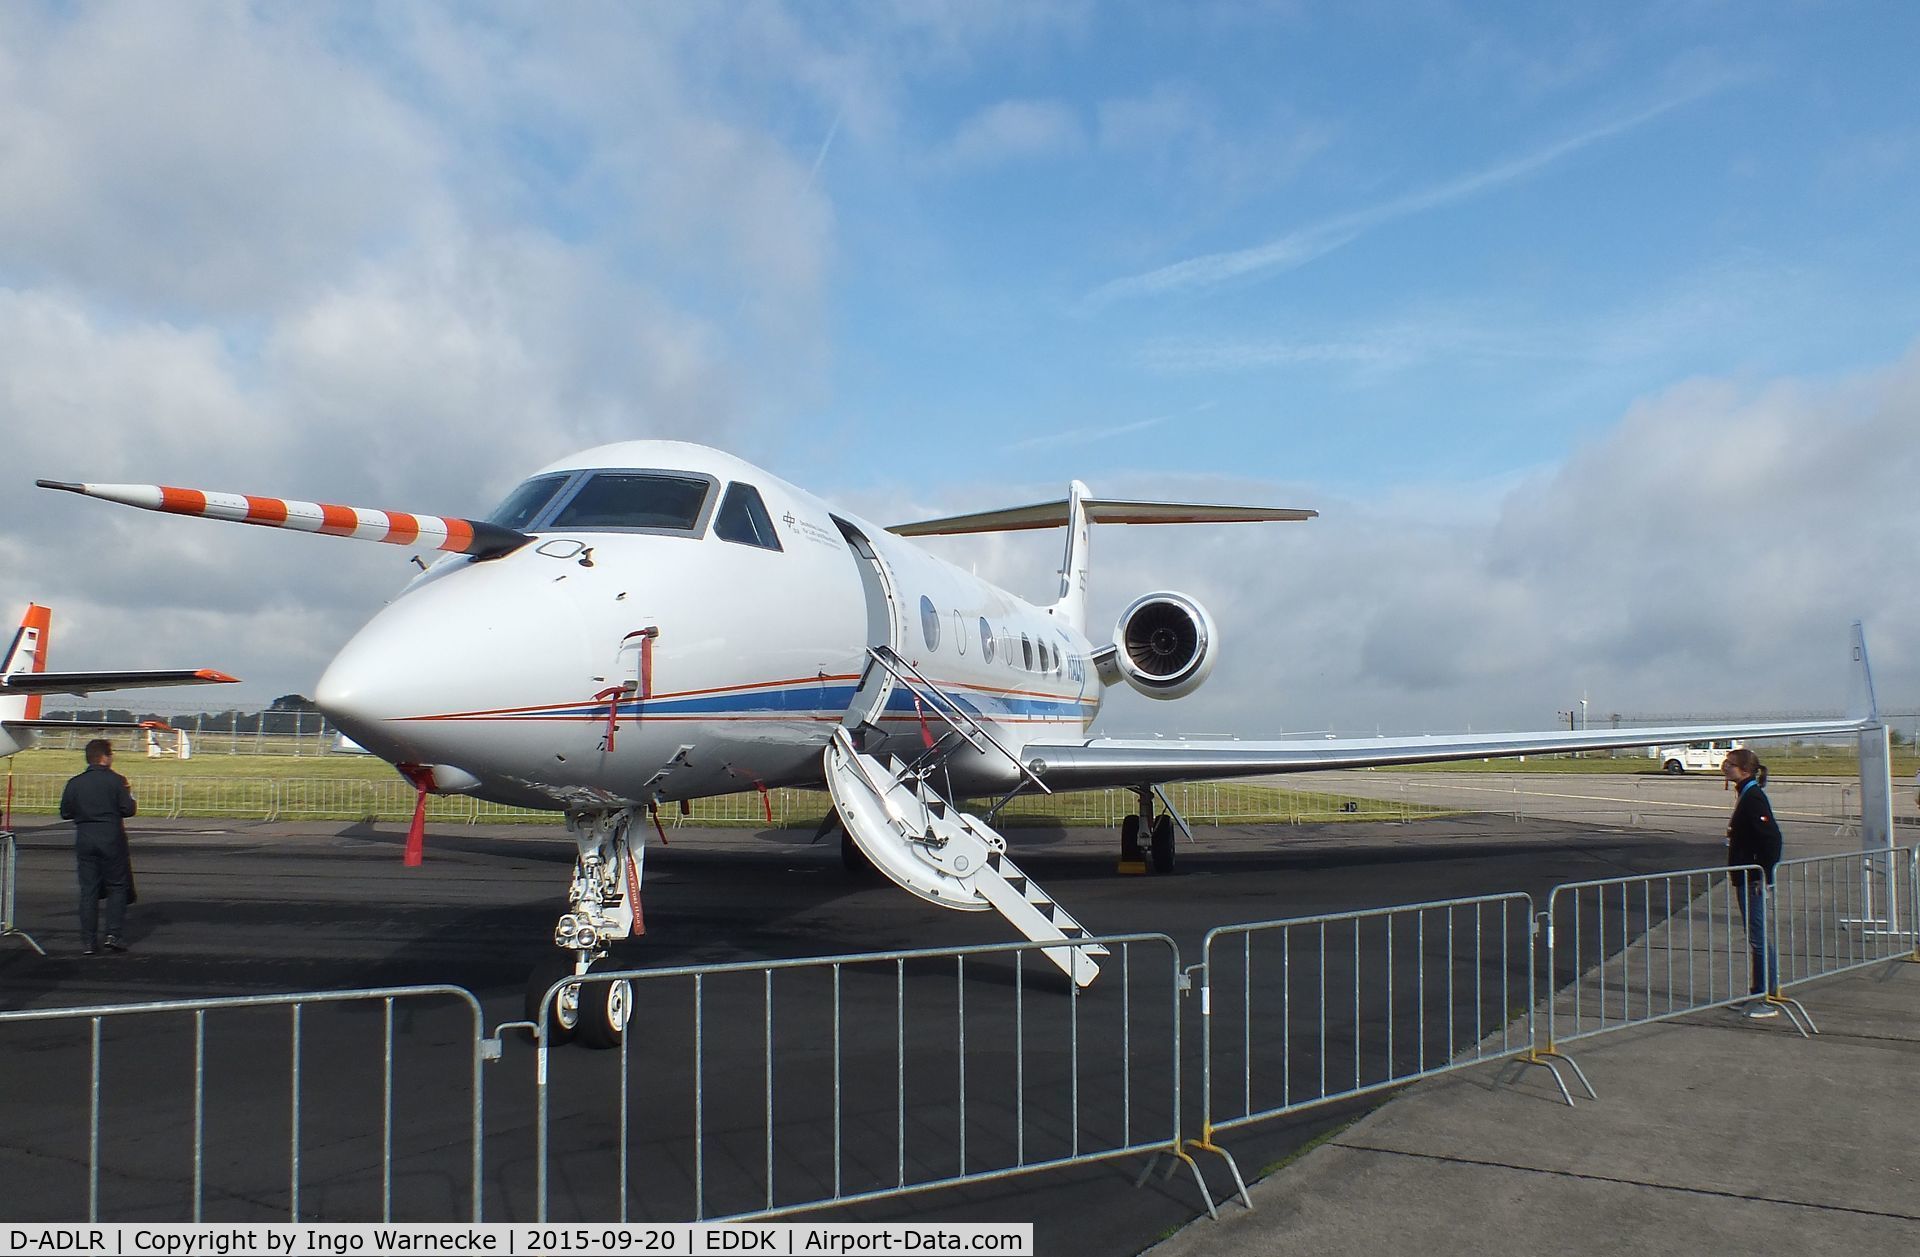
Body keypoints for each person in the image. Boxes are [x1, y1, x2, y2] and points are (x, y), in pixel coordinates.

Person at [59, 738, 136, 956]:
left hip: (85, 838)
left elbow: (65, 811)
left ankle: (88, 941)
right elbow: (128, 809)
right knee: (117, 886)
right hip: (111, 838)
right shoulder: (117, 781)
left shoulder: (75, 783)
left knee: (88, 890)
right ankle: (113, 934)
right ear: (105, 757)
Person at [1722, 747, 1781, 1018]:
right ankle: (1758, 991)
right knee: (1756, 938)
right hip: (1745, 876)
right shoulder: (1745, 794)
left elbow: (1771, 838)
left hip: (1752, 878)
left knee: (1758, 939)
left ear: (1744, 770)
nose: (1725, 766)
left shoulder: (1753, 797)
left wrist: (1764, 875)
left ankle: (1764, 997)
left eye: (1730, 764)